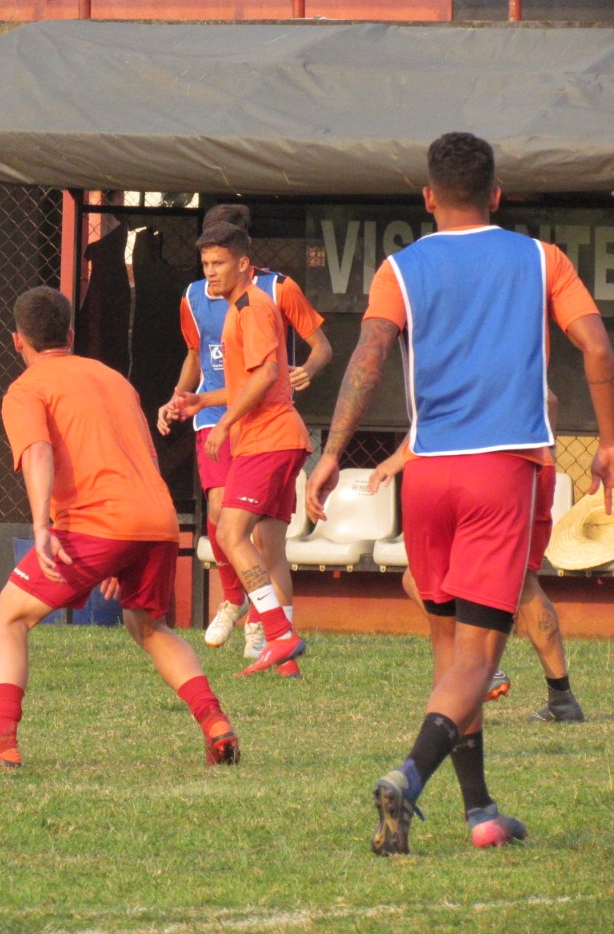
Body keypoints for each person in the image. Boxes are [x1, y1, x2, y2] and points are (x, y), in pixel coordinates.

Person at [307, 132, 614, 855]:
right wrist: (608, 440)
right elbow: (597, 348)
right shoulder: (541, 259)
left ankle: (479, 812)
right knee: (478, 658)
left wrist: (330, 454)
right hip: (500, 471)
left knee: (452, 657)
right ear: (498, 196)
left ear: (427, 198)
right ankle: (409, 777)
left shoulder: (400, 268)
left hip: (430, 475)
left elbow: (370, 358)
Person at [0, 286, 237, 768]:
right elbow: (138, 450)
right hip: (154, 519)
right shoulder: (114, 379)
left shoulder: (27, 388)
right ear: (71, 335)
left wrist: (40, 524)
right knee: (149, 626)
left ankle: (0, 743)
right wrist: (129, 545)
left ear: (17, 341)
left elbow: (38, 451)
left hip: (97, 522)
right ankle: (215, 723)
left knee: (6, 619)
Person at [158, 204, 330, 671]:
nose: (210, 273)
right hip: (276, 436)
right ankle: (284, 652)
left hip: (267, 437)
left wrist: (228, 422)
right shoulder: (235, 308)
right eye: (206, 265)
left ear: (242, 263)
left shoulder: (254, 305)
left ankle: (272, 629)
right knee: (260, 539)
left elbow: (268, 374)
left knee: (230, 533)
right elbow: (248, 379)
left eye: (218, 264)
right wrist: (198, 401)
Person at [372, 390, 585, 722]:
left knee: (512, 582)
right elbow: (548, 400)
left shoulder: (468, 352)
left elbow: (548, 397)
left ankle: (489, 670)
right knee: (422, 580)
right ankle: (554, 695)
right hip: (515, 462)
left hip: (491, 465)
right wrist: (546, 452)